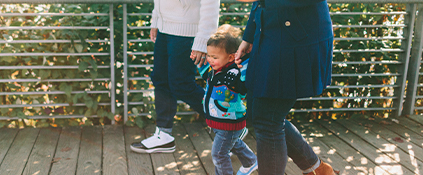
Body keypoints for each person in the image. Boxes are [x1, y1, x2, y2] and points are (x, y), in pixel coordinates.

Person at [234, 0, 335, 174]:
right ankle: (317, 169)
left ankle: (317, 168)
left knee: (268, 118)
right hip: (267, 35)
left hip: (298, 39)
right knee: (261, 113)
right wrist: (249, 36)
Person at [129, 0, 221, 153]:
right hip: (165, 29)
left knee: (182, 84)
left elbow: (211, 3)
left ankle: (228, 124)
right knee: (161, 80)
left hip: (187, 33)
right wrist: (156, 20)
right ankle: (163, 135)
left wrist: (204, 39)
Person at [197, 24, 258, 175]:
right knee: (234, 143)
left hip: (229, 122)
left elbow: (244, 87)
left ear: (230, 57)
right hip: (219, 120)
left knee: (219, 154)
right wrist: (197, 61)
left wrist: (243, 65)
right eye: (209, 55)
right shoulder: (216, 69)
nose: (210, 60)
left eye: (214, 57)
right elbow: (205, 74)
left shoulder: (235, 73)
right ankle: (251, 161)